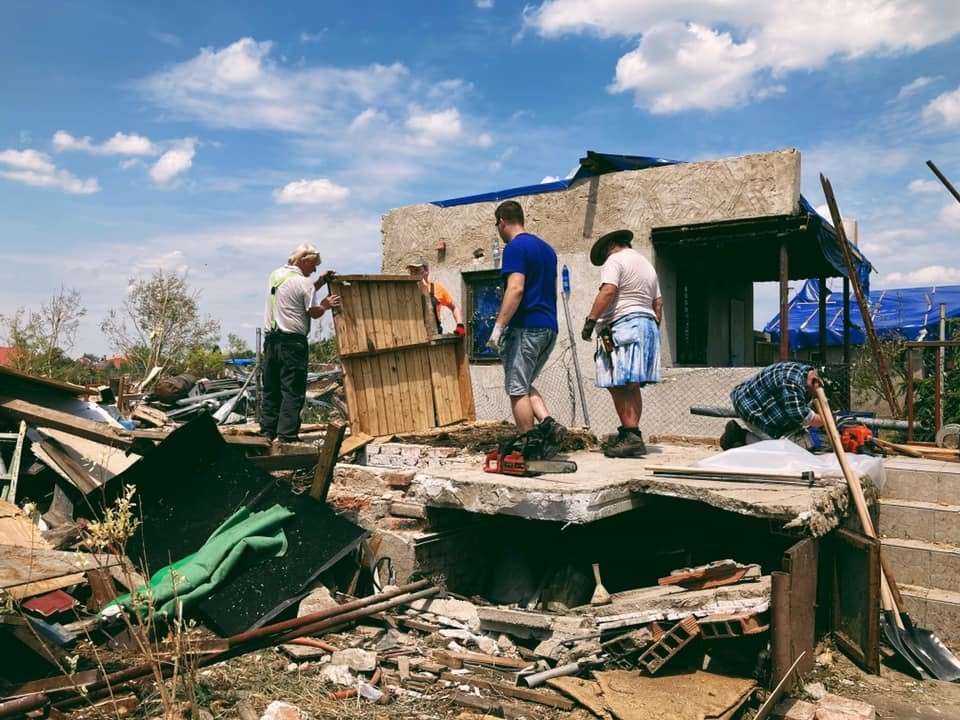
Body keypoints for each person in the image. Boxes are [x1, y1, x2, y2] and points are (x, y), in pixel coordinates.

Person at [485, 200, 566, 454]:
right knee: (524, 381)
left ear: (501, 222)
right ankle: (549, 425)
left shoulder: (515, 247)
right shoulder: (547, 249)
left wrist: (498, 328)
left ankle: (528, 441)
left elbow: (516, 288)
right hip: (548, 327)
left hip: (526, 327)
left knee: (516, 387)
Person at [580, 229, 662, 458]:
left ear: (611, 246)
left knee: (616, 382)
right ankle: (631, 433)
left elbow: (608, 291)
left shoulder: (615, 259)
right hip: (646, 325)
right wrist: (653, 333)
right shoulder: (647, 266)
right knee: (631, 384)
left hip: (624, 325)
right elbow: (658, 304)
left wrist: (591, 321)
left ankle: (630, 434)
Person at [259, 243, 341, 443]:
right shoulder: (303, 283)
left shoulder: (276, 275)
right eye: (314, 266)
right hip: (292, 344)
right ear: (304, 261)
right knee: (292, 390)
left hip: (271, 341)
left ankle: (267, 433)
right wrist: (325, 305)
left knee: (271, 389)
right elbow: (313, 312)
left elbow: (297, 291)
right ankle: (287, 437)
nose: (314, 270)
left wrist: (320, 282)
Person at [723, 361, 824, 449]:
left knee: (798, 443)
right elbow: (801, 416)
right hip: (751, 407)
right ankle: (738, 436)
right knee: (779, 449)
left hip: (767, 407)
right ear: (815, 380)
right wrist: (825, 421)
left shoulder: (804, 374)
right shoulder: (791, 381)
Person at [405, 257, 465, 336]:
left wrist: (460, 326)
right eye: (411, 271)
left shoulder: (437, 289)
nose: (413, 274)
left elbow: (454, 307)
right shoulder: (407, 291)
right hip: (413, 334)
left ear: (426, 271)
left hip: (435, 334)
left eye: (416, 270)